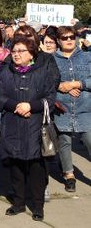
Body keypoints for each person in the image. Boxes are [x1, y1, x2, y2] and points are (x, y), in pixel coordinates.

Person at [0, 36, 56, 221]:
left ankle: (38, 206)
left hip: (35, 125)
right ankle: (18, 202)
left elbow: (50, 98)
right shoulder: (6, 71)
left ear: (32, 53)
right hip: (12, 124)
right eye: (13, 51)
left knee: (36, 168)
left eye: (21, 51)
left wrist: (31, 106)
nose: (16, 54)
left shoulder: (42, 72)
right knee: (16, 166)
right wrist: (15, 105)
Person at [53, 26, 91, 193]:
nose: (68, 40)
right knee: (64, 142)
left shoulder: (87, 57)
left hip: (84, 108)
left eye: (71, 37)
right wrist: (61, 86)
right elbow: (45, 82)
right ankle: (69, 175)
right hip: (62, 107)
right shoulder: (51, 59)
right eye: (64, 37)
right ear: (58, 41)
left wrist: (77, 84)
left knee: (89, 140)